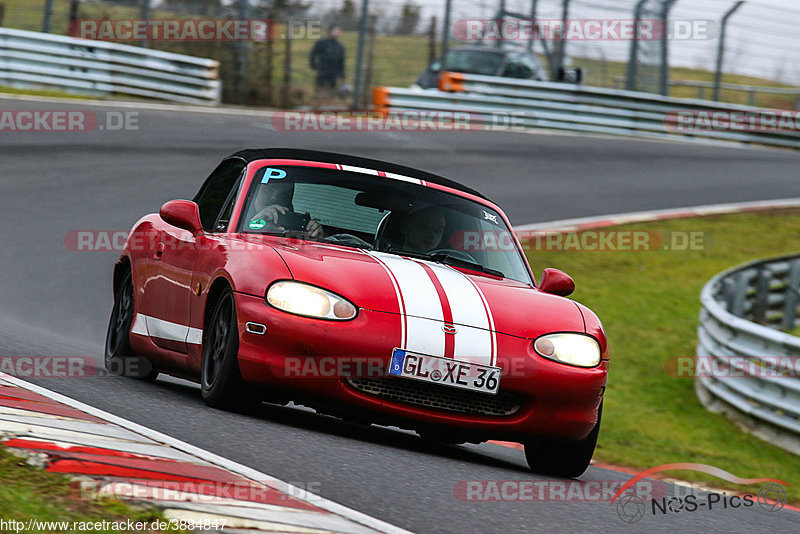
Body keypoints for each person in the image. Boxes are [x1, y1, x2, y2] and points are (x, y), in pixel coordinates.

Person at [250, 181, 323, 238]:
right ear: (254, 193)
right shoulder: (240, 220)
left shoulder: (299, 228)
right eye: (268, 190)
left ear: (289, 200)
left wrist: (316, 238)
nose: (274, 197)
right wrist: (255, 225)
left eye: (283, 193)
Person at [309, 25, 345, 107]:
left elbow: (341, 62)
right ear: (330, 31)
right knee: (319, 90)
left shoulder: (340, 47)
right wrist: (313, 65)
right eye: (336, 31)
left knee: (331, 91)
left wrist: (342, 75)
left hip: (333, 72)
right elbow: (313, 54)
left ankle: (328, 106)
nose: (337, 33)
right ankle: (317, 105)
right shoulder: (321, 43)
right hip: (322, 70)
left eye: (339, 31)